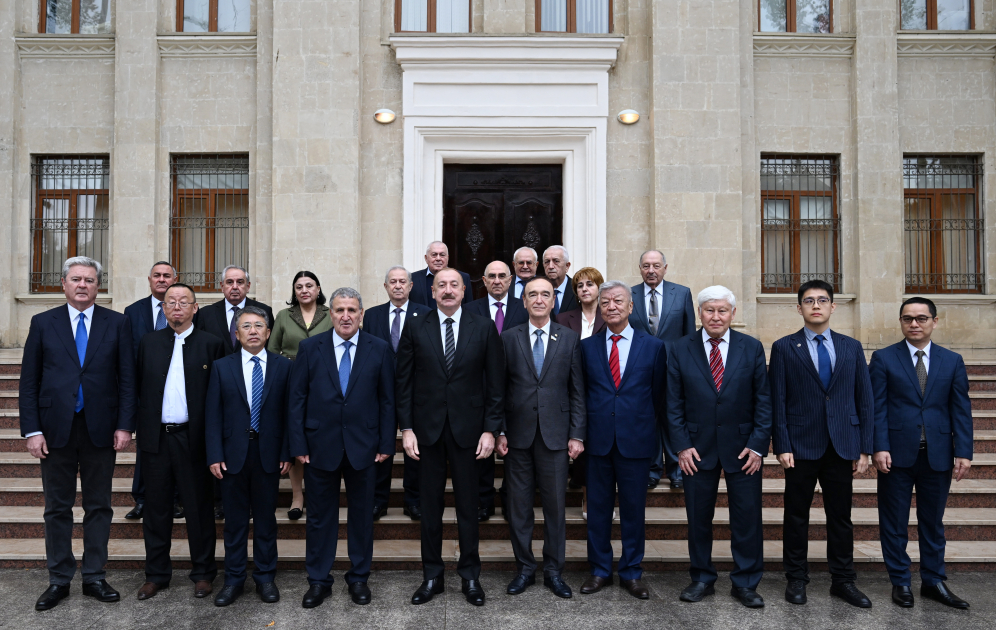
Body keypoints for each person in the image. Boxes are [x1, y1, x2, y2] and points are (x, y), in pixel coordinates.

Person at [20, 256, 136, 611]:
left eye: (89, 280)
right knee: (57, 508)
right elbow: (29, 382)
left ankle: (94, 576)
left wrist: (125, 425)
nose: (83, 285)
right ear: (63, 283)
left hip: (101, 428)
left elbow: (127, 380)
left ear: (98, 286)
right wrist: (32, 430)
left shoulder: (117, 323)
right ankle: (58, 579)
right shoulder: (42, 323)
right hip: (55, 430)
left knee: (99, 506)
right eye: (76, 279)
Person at [396, 268, 505, 606]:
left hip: (470, 432)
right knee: (429, 508)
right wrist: (407, 429)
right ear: (431, 292)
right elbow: (404, 382)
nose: (447, 290)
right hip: (426, 432)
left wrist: (491, 429)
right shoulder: (415, 326)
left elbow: (496, 385)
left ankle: (470, 576)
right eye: (440, 285)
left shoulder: (484, 327)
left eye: (453, 285)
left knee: (468, 509)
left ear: (464, 291)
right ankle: (432, 576)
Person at [288, 288, 396, 608]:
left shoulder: (379, 348)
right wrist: (298, 443)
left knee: (362, 517)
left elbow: (387, 401)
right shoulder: (310, 348)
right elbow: (297, 401)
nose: (345, 316)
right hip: (320, 446)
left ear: (361, 314)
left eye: (352, 309)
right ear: (330, 314)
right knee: (320, 518)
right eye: (339, 310)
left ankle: (359, 577)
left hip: (365, 447)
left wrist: (387, 443)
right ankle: (319, 580)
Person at [769, 280, 874, 608]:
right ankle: (796, 578)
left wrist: (865, 447)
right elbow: (778, 400)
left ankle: (843, 580)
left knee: (840, 517)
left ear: (833, 307)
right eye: (809, 301)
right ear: (799, 308)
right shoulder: (785, 347)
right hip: (800, 445)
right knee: (796, 515)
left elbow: (864, 400)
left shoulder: (851, 347)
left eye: (823, 300)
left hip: (842, 444)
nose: (816, 305)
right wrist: (782, 443)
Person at [667, 286, 772, 608]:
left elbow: (763, 401)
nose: (716, 316)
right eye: (710, 310)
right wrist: (682, 447)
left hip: (743, 450)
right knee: (698, 518)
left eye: (722, 310)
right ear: (700, 313)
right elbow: (673, 403)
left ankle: (746, 582)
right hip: (696, 450)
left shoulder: (751, 348)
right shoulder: (679, 348)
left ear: (733, 314)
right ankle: (702, 578)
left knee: (747, 518)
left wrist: (757, 446)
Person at [870, 297, 974, 609]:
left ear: (934, 321)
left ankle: (933, 581)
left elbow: (961, 409)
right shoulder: (884, 358)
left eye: (921, 318)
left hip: (938, 455)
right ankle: (900, 581)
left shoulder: (951, 360)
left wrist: (964, 451)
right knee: (894, 522)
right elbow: (877, 408)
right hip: (896, 456)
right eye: (908, 319)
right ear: (900, 322)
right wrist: (879, 446)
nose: (914, 324)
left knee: (933, 523)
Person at [134, 283, 226, 601]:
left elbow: (221, 396)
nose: (176, 306)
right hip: (156, 439)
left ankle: (203, 574)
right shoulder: (148, 343)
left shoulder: (212, 344)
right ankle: (156, 575)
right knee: (156, 510)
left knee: (199, 509)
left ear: (195, 308)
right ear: (162, 308)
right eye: (170, 301)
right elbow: (137, 388)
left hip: (194, 439)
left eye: (183, 302)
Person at [496, 275, 585, 599]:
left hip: (556, 437)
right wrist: (500, 430)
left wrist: (577, 434)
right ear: (523, 300)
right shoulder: (508, 338)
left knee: (555, 508)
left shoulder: (569, 339)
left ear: (553, 300)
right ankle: (524, 569)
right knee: (519, 508)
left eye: (544, 294)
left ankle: (553, 571)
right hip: (517, 438)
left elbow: (577, 391)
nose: (538, 299)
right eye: (532, 294)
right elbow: (500, 390)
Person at [578, 280, 666, 600]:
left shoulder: (653, 346)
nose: (611, 306)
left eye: (618, 301)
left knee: (633, 511)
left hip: (636, 440)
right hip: (598, 442)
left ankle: (631, 572)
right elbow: (582, 393)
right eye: (605, 303)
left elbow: (657, 396)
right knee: (598, 510)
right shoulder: (586, 347)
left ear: (631, 307)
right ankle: (600, 569)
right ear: (600, 310)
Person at [205, 306, 293, 606]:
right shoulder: (222, 367)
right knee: (235, 522)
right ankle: (233, 580)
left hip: (268, 455)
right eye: (246, 326)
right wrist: (214, 454)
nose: (253, 330)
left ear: (268, 333)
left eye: (259, 326)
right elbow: (213, 415)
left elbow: (288, 414)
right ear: (236, 333)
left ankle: (266, 578)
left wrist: (286, 452)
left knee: (266, 520)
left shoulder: (284, 367)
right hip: (232, 456)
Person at [193, 264, 274, 519]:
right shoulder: (206, 314)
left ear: (248, 286)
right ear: (222, 286)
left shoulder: (264, 312)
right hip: (218, 384)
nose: (235, 287)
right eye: (229, 282)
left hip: (256, 387)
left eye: (240, 282)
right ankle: (220, 500)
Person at [363, 266, 431, 522]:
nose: (398, 285)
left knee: (414, 449)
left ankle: (413, 501)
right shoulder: (371, 315)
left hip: (416, 391)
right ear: (386, 286)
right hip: (379, 391)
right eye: (393, 281)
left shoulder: (425, 313)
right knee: (382, 446)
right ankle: (379, 500)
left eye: (403, 281)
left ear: (411, 286)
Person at [465, 260, 528, 520]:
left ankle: (511, 497)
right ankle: (484, 500)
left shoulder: (524, 308)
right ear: (484, 279)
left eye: (502, 276)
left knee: (515, 446)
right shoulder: (469, 309)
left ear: (511, 279)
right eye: (491, 276)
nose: (497, 280)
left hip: (518, 388)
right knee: (483, 446)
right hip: (479, 388)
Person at [268, 271, 332, 521]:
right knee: (295, 435)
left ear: (318, 289)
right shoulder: (284, 316)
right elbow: (273, 350)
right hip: (290, 381)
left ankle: (318, 493)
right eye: (299, 286)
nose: (304, 290)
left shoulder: (330, 314)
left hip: (324, 382)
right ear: (294, 291)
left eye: (309, 285)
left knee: (317, 434)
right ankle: (297, 496)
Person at [628, 250, 695, 491]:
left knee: (673, 417)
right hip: (640, 369)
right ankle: (653, 470)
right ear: (640, 268)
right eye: (646, 265)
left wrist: (689, 368)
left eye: (656, 265)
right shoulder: (630, 295)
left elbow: (689, 336)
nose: (651, 270)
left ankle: (677, 470)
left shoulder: (683, 293)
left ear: (665, 268)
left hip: (674, 368)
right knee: (649, 419)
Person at [123, 261, 178, 521]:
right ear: (149, 279)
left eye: (167, 275)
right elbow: (127, 355)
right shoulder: (132, 312)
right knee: (146, 448)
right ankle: (142, 499)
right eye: (157, 275)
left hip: (177, 391)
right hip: (144, 392)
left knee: (177, 448)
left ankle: (176, 499)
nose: (162, 280)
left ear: (175, 279)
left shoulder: (185, 310)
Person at [556, 266, 606, 518]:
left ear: (599, 288)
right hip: (569, 390)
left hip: (601, 391)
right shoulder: (564, 318)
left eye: (590, 284)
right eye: (580, 285)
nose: (584, 289)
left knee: (596, 448)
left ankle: (590, 499)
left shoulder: (609, 316)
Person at [408, 241, 472, 308]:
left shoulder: (463, 277)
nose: (438, 259)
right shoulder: (413, 278)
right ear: (426, 258)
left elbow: (468, 307)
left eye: (442, 255)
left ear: (447, 258)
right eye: (434, 255)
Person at [542, 245, 578, 316]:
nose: (551, 266)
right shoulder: (537, 287)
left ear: (567, 266)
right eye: (547, 262)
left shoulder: (577, 289)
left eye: (556, 261)